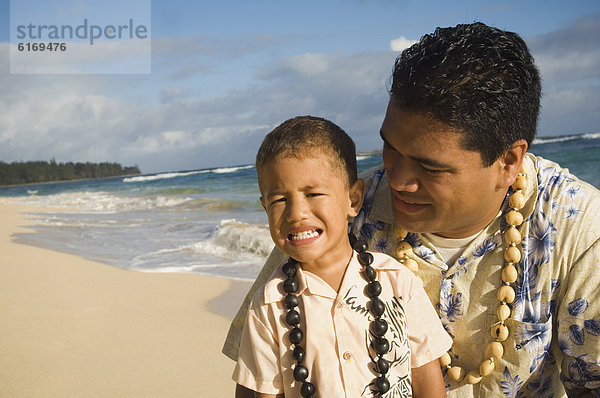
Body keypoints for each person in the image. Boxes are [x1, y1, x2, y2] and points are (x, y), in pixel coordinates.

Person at [225, 23, 600, 397]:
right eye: (390, 148)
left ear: (508, 161)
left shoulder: (577, 227)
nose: (398, 179)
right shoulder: (334, 212)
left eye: (430, 166)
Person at [233, 116, 452, 397]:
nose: (296, 212)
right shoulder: (269, 305)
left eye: (313, 193)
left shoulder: (397, 282)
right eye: (279, 200)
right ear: (265, 208)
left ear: (353, 200)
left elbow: (426, 378)